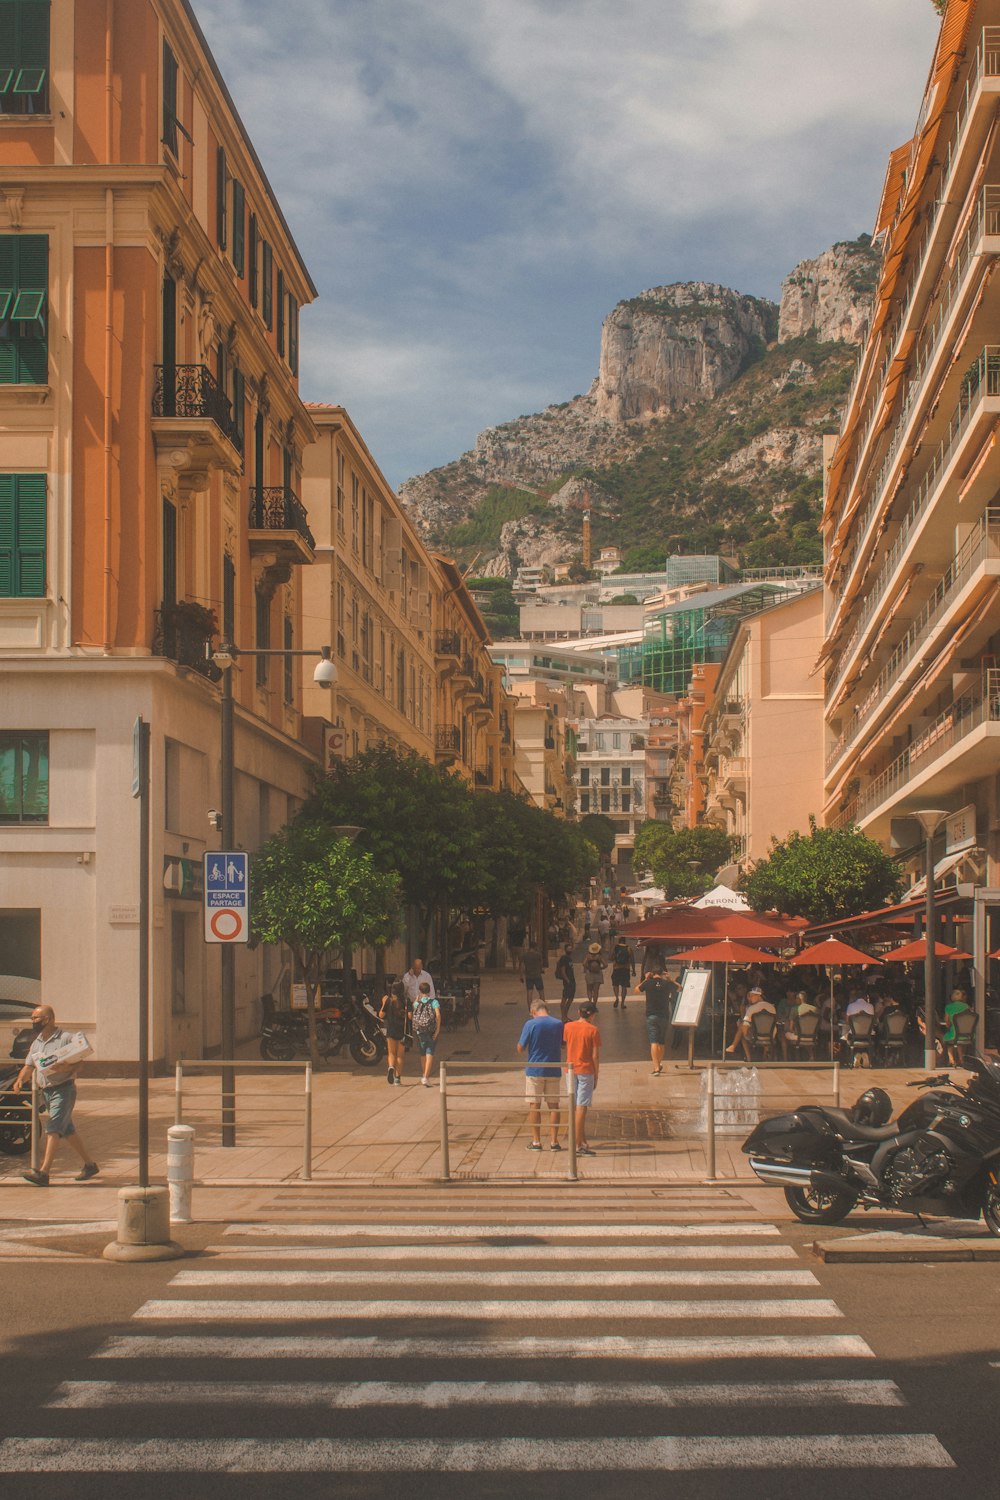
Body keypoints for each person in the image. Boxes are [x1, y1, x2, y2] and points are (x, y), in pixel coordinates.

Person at [15, 1005, 98, 1186]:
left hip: (64, 1089)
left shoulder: (66, 1038)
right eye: (33, 1018)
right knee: (67, 1130)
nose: (34, 1021)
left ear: (50, 1019)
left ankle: (43, 1172)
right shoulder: (37, 1042)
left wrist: (67, 1067)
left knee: (53, 1128)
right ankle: (90, 1165)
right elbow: (29, 1066)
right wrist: (20, 1080)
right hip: (47, 1091)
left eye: (37, 1018)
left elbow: (80, 1063)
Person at [517, 998, 564, 1151]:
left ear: (533, 1012)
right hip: (553, 1068)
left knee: (534, 1106)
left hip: (535, 1070)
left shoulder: (530, 1024)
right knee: (554, 1106)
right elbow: (563, 1043)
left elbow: (520, 1048)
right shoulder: (558, 1024)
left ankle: (536, 1142)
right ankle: (554, 1142)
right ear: (546, 1010)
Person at [564, 1001, 601, 1156]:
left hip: (570, 1070)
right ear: (592, 1015)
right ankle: (578, 1144)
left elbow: (568, 1044)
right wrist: (596, 1075)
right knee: (582, 1107)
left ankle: (582, 1139)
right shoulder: (593, 1030)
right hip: (586, 1070)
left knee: (574, 1106)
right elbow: (595, 1056)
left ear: (579, 1013)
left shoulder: (568, 1027)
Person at [633, 962, 679, 1076]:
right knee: (661, 1041)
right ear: (662, 973)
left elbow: (636, 989)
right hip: (664, 1015)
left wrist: (645, 979)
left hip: (651, 1016)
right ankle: (659, 1063)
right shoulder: (667, 983)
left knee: (653, 1041)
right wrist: (670, 979)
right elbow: (680, 988)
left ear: (652, 973)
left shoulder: (648, 983)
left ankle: (656, 1067)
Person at [725, 985, 776, 1061]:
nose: (750, 997)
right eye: (749, 996)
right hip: (771, 1036)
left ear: (758, 996)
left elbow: (745, 1025)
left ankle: (748, 1058)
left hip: (756, 1036)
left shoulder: (751, 1008)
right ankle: (764, 1056)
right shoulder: (772, 1007)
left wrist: (745, 1033)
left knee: (742, 1033)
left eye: (752, 996)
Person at [411, 980, 441, 1087]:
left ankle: (424, 1074)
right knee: (430, 1053)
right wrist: (437, 1030)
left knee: (422, 1054)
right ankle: (426, 1077)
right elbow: (438, 1015)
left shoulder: (416, 1003)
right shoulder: (434, 1002)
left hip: (419, 1031)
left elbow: (412, 1015)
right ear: (429, 991)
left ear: (420, 991)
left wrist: (416, 1001)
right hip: (431, 1030)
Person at [379, 980, 408, 1086]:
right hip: (402, 1031)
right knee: (400, 1055)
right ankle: (398, 1078)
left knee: (391, 1053)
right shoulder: (406, 1001)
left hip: (391, 1029)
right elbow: (409, 1016)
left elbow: (381, 1015)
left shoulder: (388, 1001)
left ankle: (391, 1067)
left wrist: (383, 1003)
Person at [610, 937, 634, 1009]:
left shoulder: (616, 948)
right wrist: (634, 970)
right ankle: (622, 1003)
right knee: (624, 986)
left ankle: (617, 997)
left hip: (616, 969)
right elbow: (632, 960)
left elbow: (611, 958)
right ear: (625, 941)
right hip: (625, 969)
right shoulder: (628, 948)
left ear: (619, 941)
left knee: (615, 985)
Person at [554, 943, 576, 1021]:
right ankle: (563, 1016)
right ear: (565, 950)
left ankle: (565, 1015)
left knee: (570, 998)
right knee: (565, 998)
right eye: (568, 948)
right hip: (568, 981)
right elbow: (563, 971)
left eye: (571, 948)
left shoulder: (569, 958)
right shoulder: (564, 958)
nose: (570, 950)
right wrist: (567, 980)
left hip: (571, 981)